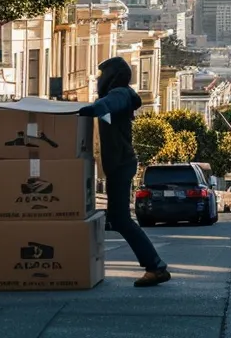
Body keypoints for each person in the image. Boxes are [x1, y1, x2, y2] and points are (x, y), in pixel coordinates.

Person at [77, 57, 171, 287]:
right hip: (119, 164)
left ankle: (155, 267)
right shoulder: (123, 93)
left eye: (102, 75)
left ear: (112, 76)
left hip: (120, 164)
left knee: (121, 219)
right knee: (114, 219)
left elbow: (104, 106)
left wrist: (79, 111)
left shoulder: (120, 93)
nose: (99, 80)